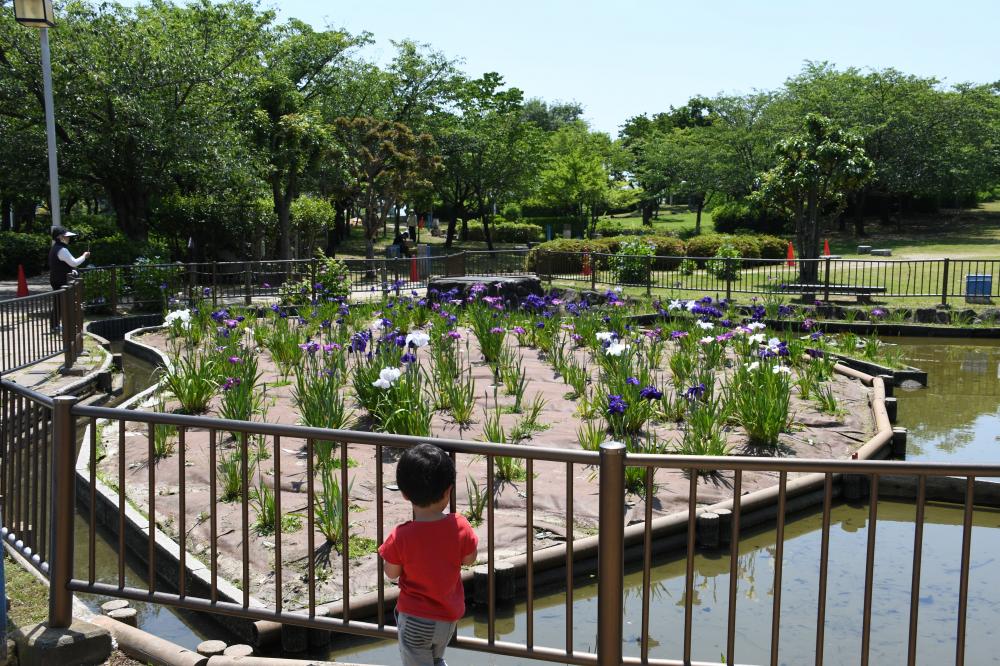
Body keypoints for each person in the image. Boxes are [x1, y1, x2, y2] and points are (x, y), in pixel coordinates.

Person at [379, 443, 478, 666]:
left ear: (404, 494)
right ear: (448, 491)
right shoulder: (459, 526)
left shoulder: (401, 535)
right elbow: (470, 558)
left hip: (415, 620)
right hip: (447, 620)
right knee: (435, 659)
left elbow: (391, 573)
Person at [48, 226, 89, 332]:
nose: (68, 238)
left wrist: (72, 270)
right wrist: (84, 256)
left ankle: (55, 326)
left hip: (56, 279)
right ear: (60, 237)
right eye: (66, 237)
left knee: (59, 303)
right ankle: (55, 326)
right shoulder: (61, 249)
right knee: (60, 304)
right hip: (61, 280)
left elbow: (67, 265)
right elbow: (73, 262)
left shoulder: (55, 247)